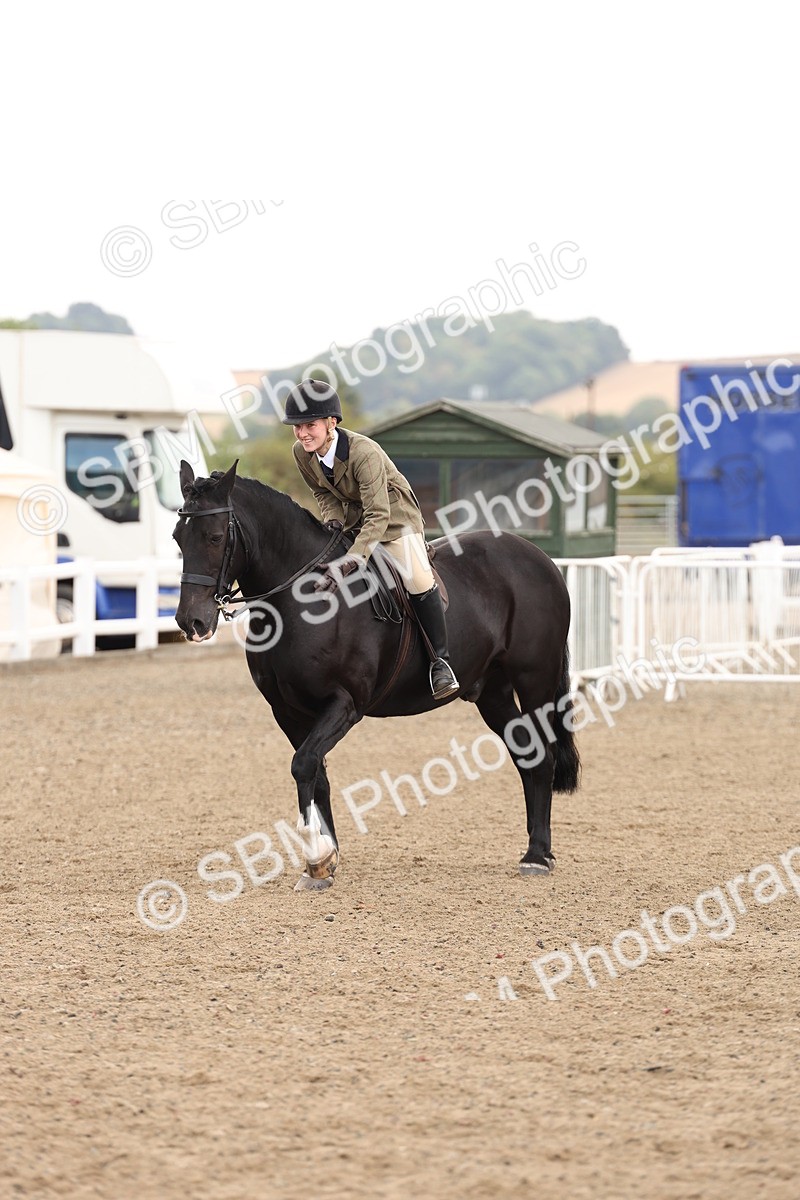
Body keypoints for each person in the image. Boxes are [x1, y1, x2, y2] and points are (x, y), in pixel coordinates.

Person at [283, 378, 460, 701]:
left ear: (331, 422)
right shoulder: (301, 452)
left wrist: (355, 557)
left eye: (309, 425)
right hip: (353, 520)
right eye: (297, 427)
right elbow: (322, 492)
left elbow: (378, 514)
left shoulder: (364, 454)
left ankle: (441, 662)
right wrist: (333, 520)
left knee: (418, 579)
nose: (303, 433)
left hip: (395, 521)